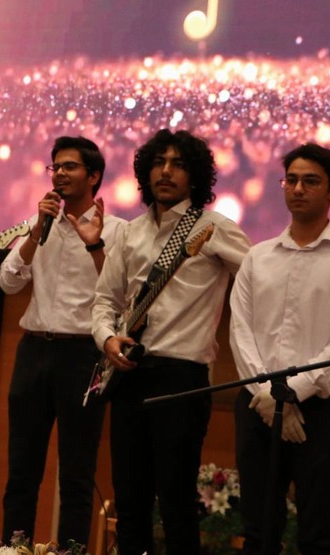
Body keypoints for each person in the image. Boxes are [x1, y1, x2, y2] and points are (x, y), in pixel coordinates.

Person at [91, 129, 251, 555]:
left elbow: (263, 276)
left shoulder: (213, 228)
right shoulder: (130, 232)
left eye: (178, 164)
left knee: (176, 501)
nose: (165, 172)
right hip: (128, 375)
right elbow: (104, 301)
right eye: (159, 163)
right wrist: (107, 339)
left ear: (195, 176)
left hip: (182, 378)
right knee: (129, 500)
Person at [230, 143, 330, 555]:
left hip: (320, 411)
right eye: (291, 180)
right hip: (257, 406)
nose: (298, 189)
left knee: (317, 537)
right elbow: (240, 332)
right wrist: (269, 397)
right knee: (258, 534)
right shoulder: (257, 257)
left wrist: (290, 393)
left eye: (311, 181)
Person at [0, 136, 125, 547]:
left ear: (94, 176)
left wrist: (95, 244)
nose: (60, 174)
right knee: (21, 471)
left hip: (83, 356)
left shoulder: (117, 230)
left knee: (76, 475)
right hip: (34, 350)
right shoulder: (40, 224)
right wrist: (36, 231)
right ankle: (13, 550)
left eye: (70, 166)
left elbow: (123, 295)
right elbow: (7, 282)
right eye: (56, 167)